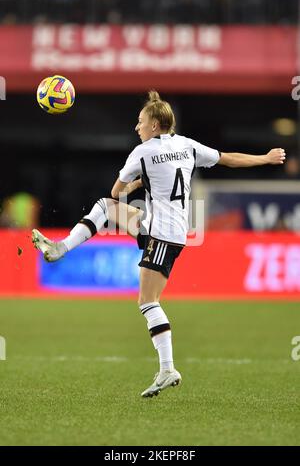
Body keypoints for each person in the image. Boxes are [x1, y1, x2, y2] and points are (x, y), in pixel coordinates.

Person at [32, 91, 286, 398]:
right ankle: (60, 249)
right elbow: (227, 158)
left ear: (154, 124)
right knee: (103, 208)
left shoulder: (142, 152)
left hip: (162, 234)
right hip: (166, 227)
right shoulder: (187, 145)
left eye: (140, 122)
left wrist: (139, 181)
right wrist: (265, 158)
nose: (136, 127)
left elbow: (117, 190)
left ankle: (168, 369)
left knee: (147, 301)